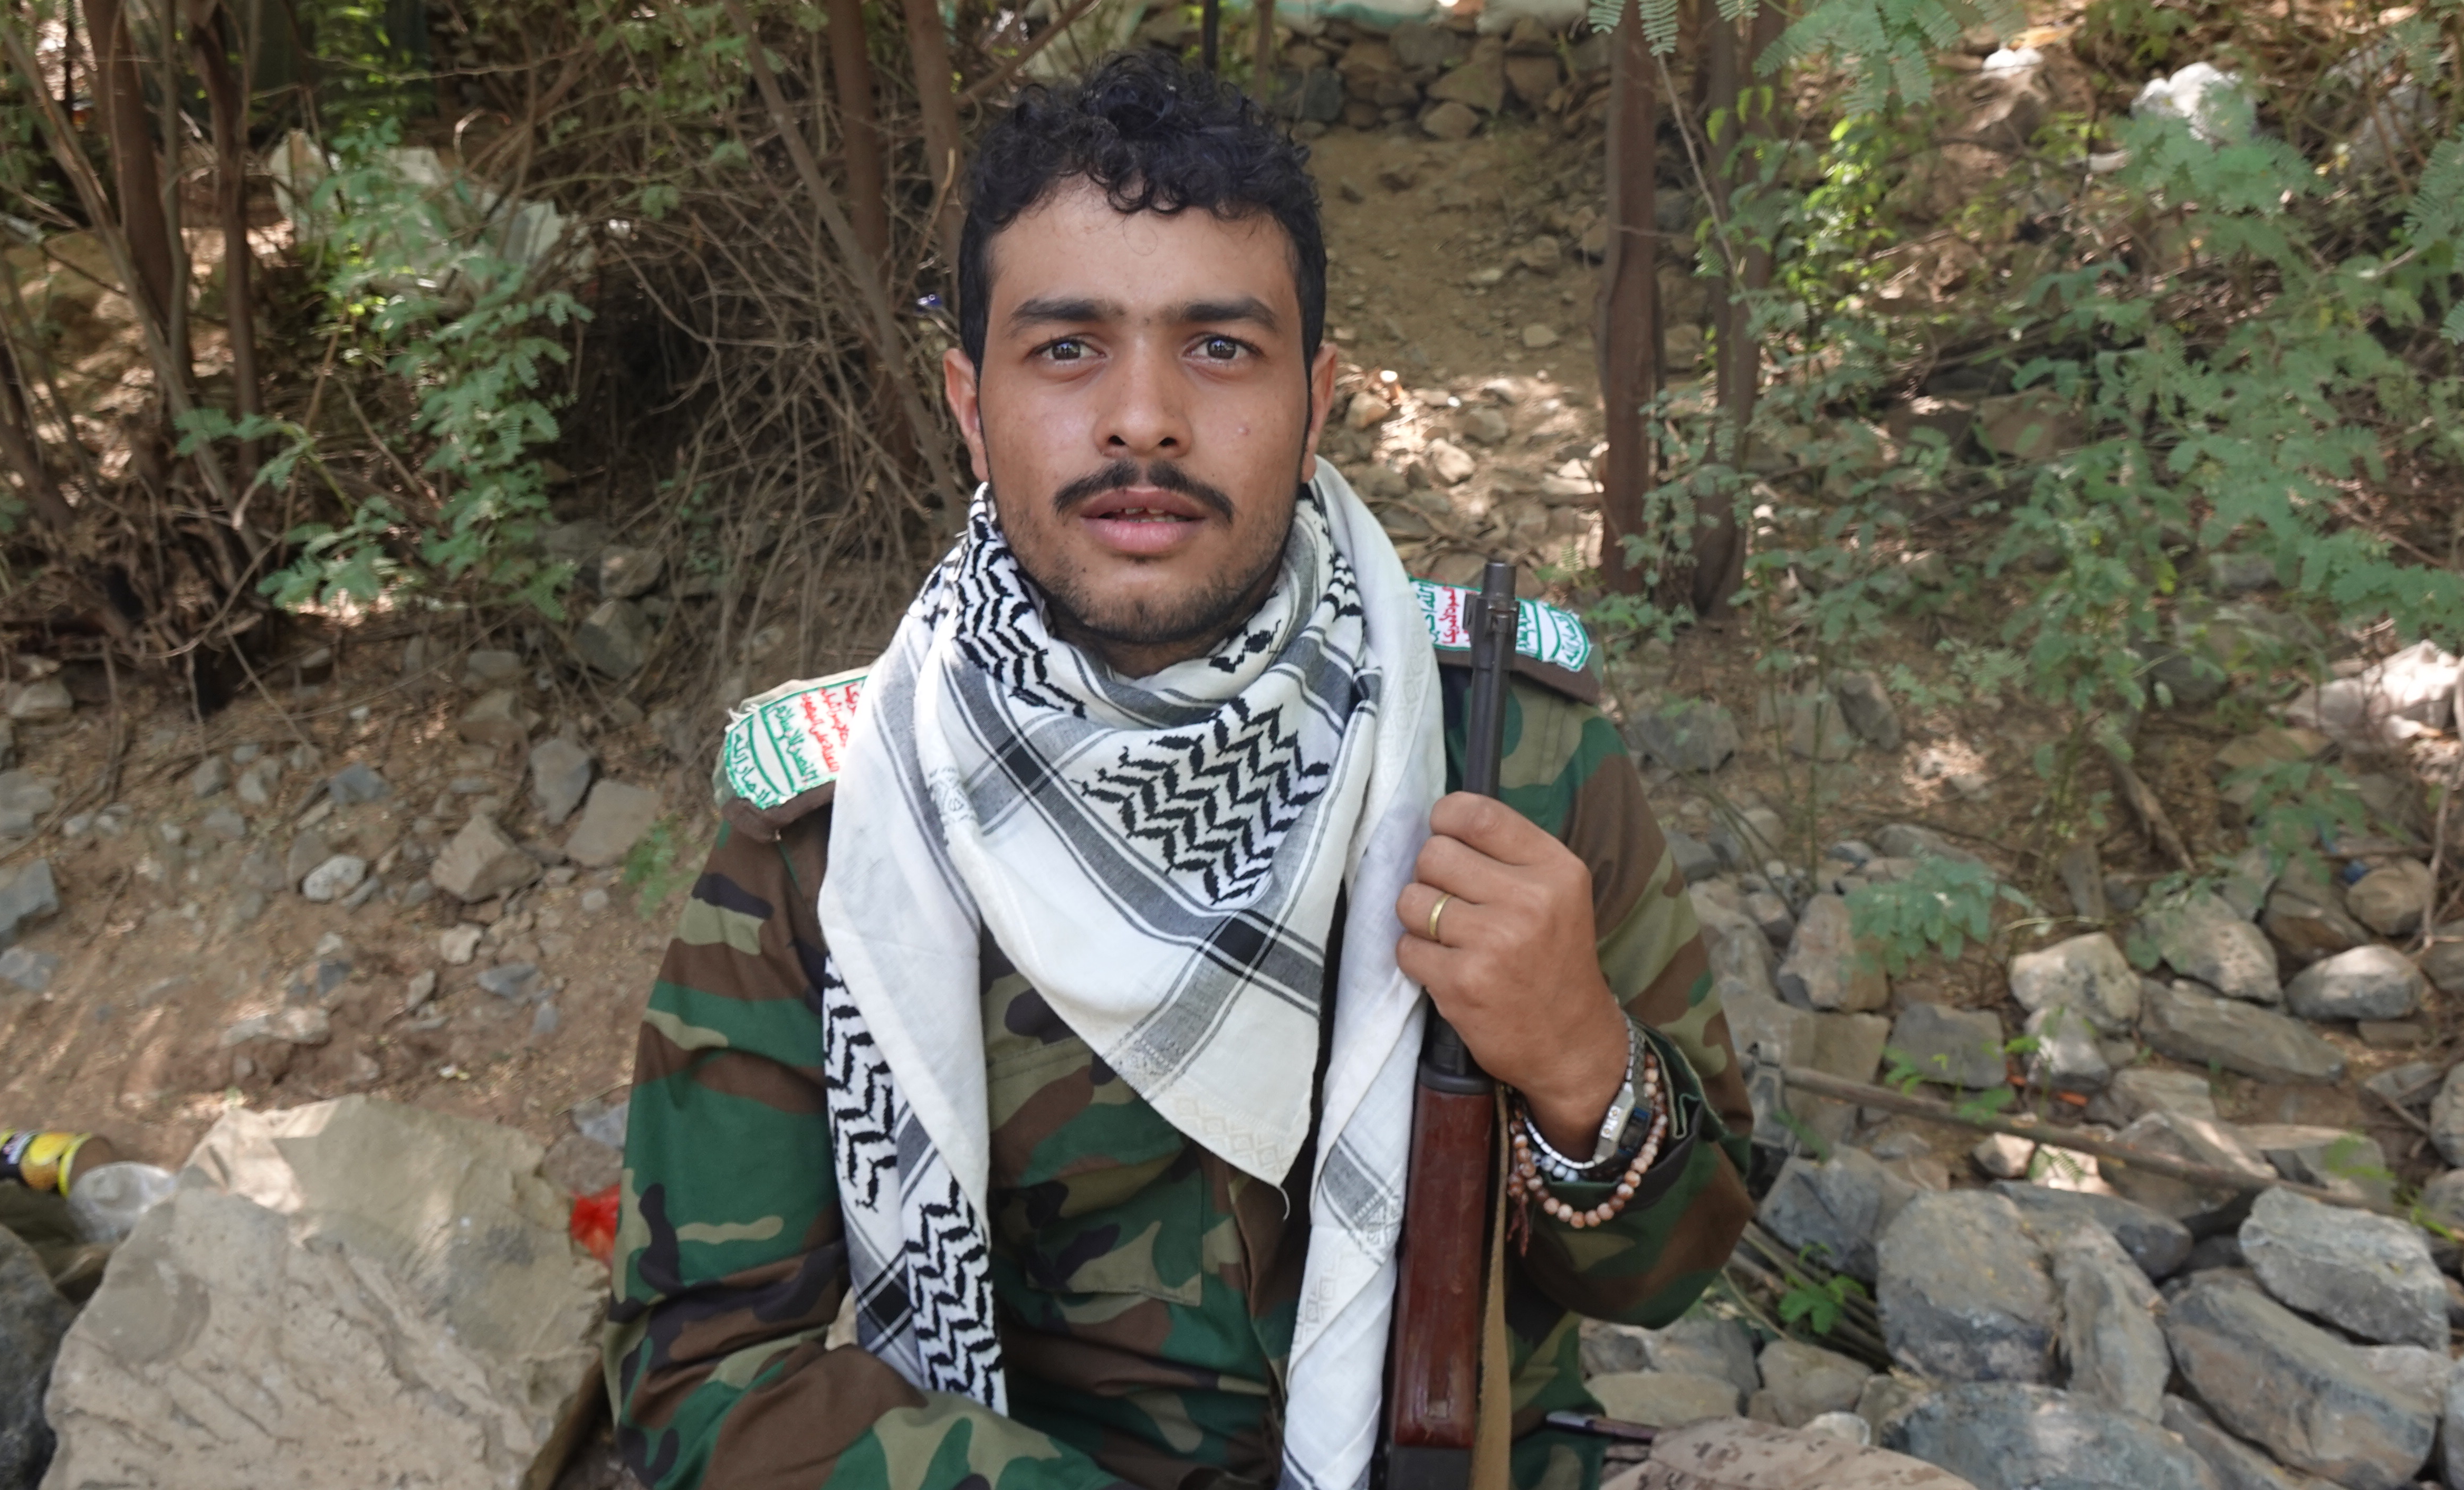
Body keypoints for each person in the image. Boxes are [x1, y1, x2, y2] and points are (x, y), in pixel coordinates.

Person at [604, 49, 1755, 1490]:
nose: (1142, 418)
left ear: (1317, 400)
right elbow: (701, 1381)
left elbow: (1670, 1273)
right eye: (1066, 349)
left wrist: (1582, 1060)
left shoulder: (1509, 756)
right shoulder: (842, 831)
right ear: (970, 404)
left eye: (1217, 347)